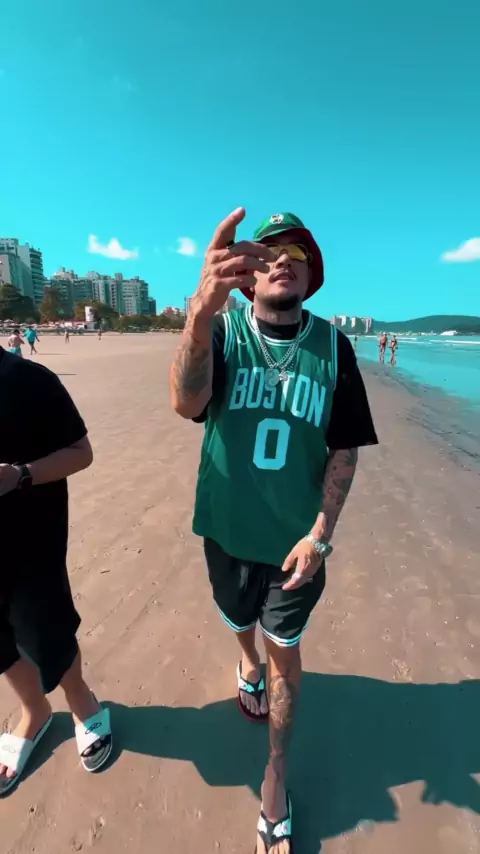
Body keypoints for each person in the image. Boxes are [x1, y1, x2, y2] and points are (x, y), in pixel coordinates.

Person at [170, 209, 378, 853]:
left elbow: (344, 447)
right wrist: (199, 315)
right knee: (239, 621)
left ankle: (276, 773)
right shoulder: (223, 332)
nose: (283, 258)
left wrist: (321, 532)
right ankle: (245, 660)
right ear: (246, 274)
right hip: (226, 530)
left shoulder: (334, 348)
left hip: (296, 548)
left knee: (286, 656)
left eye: (297, 251)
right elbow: (186, 402)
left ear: (312, 276)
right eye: (267, 252)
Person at [0, 347, 113, 795]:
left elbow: (81, 453)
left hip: (29, 545)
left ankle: (82, 702)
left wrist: (19, 475)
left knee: (47, 632)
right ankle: (34, 710)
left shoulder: (28, 379)